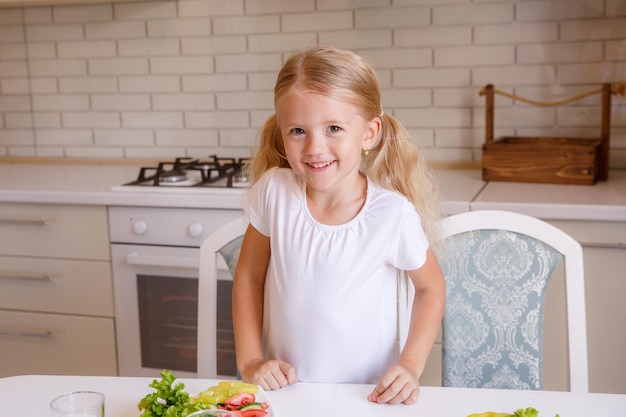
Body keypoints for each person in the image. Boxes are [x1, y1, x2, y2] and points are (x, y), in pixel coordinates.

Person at [232, 45, 445, 405]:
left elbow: (431, 289)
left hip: (365, 399)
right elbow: (249, 277)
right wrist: (251, 360)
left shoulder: (391, 214)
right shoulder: (273, 192)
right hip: (285, 395)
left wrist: (410, 364)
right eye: (298, 130)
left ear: (369, 133)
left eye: (333, 128)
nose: (315, 148)